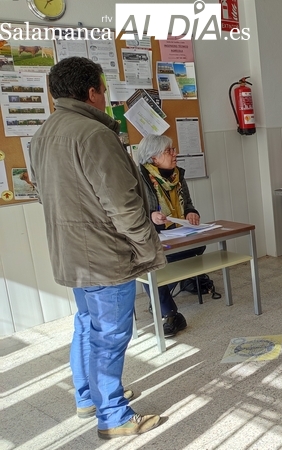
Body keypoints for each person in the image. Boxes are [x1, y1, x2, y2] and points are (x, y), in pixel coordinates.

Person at [28, 57, 164, 439]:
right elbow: (122, 204)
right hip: (105, 258)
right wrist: (145, 247)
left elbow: (42, 194)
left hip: (72, 255)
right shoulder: (94, 134)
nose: (105, 97)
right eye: (104, 90)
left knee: (87, 326)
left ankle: (88, 397)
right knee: (110, 334)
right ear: (92, 92)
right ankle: (114, 415)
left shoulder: (42, 134)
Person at [137, 134, 204, 337]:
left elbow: (189, 205)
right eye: (169, 151)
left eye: (173, 149)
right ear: (153, 158)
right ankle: (170, 314)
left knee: (199, 246)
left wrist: (192, 213)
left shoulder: (177, 176)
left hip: (179, 230)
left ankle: (160, 296)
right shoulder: (140, 179)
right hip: (153, 234)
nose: (175, 154)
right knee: (152, 262)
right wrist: (151, 216)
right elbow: (135, 210)